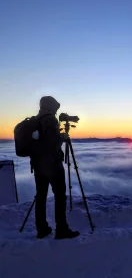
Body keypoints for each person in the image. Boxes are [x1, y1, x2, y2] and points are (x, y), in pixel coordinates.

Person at [30, 96, 80, 239]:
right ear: (51, 106)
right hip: (52, 165)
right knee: (60, 196)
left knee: (41, 196)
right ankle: (62, 229)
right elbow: (54, 141)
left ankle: (42, 229)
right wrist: (63, 136)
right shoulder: (50, 119)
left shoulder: (36, 119)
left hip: (37, 165)